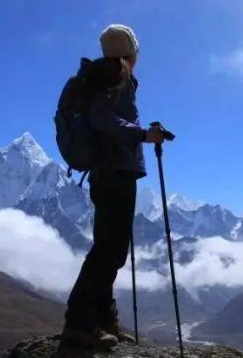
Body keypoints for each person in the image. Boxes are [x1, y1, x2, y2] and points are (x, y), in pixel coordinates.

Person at [58, 24, 164, 349]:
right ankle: (80, 321)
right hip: (115, 170)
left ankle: (102, 317)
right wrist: (142, 135)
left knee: (111, 246)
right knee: (110, 249)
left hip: (109, 171)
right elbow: (101, 118)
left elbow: (104, 117)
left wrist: (141, 131)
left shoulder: (105, 76)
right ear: (130, 50)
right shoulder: (116, 76)